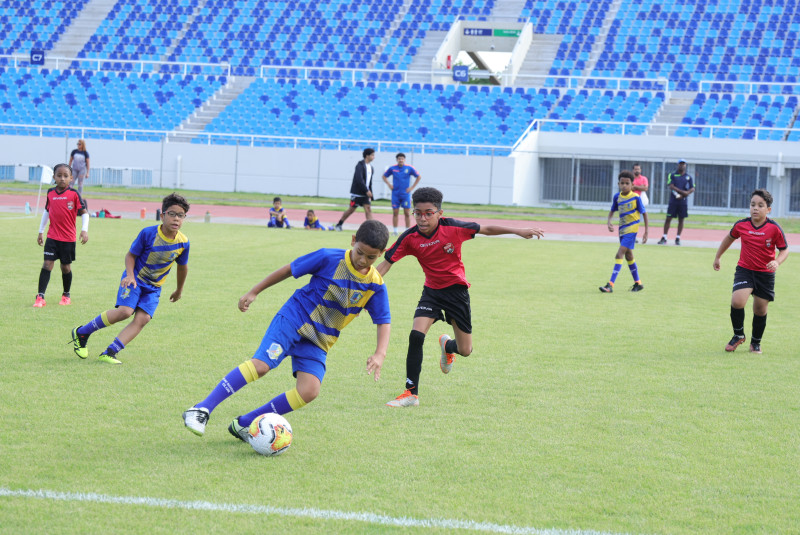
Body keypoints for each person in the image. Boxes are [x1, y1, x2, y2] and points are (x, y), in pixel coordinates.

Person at [182, 220, 391, 441]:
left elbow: (383, 320)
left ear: (381, 254)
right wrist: (255, 291)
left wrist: (380, 353)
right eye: (360, 252)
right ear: (352, 241)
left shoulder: (375, 284)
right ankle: (201, 408)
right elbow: (289, 270)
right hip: (294, 318)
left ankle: (245, 424)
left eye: (371, 257)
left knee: (309, 391)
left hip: (319, 340)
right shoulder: (329, 257)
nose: (362, 260)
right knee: (262, 365)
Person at [377, 187, 544, 407]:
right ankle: (410, 393)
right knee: (416, 336)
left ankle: (448, 347)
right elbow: (384, 265)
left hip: (457, 293)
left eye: (429, 213)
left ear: (439, 213)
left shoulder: (453, 227)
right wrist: (361, 287)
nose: (423, 218)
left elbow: (487, 228)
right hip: (432, 292)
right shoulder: (410, 237)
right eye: (418, 213)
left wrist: (518, 230)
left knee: (466, 350)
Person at [70, 193, 190, 364]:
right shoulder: (148, 233)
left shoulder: (183, 242)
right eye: (172, 214)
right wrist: (130, 275)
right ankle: (82, 332)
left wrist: (179, 289)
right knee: (125, 311)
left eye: (181, 215)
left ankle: (110, 352)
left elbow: (182, 267)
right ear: (162, 215)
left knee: (143, 319)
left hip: (154, 287)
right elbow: (130, 256)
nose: (176, 219)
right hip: (135, 279)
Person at [713, 189, 788, 354]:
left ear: (768, 209)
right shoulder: (742, 225)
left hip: (765, 274)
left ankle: (755, 342)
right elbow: (729, 238)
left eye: (760, 205)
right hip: (745, 270)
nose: (755, 208)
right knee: (737, 301)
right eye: (753, 204)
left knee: (760, 309)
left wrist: (777, 261)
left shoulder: (774, 228)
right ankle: (738, 335)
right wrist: (718, 256)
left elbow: (784, 250)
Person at [34, 163, 89, 307]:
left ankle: (66, 295)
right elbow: (47, 212)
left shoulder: (74, 194)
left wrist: (84, 229)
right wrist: (41, 231)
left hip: (68, 239)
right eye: (59, 175)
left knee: (65, 268)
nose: (62, 179)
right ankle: (40, 297)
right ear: (54, 177)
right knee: (47, 264)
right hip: (52, 237)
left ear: (71, 178)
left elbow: (84, 213)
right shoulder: (50, 193)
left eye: (66, 176)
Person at [599, 170, 648, 293]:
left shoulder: (636, 198)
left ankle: (610, 285)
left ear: (632, 185)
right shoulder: (617, 197)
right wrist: (609, 221)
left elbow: (644, 214)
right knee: (629, 255)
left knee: (619, 254)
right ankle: (638, 283)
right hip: (622, 230)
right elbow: (612, 210)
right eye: (622, 183)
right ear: (618, 184)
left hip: (632, 230)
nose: (624, 185)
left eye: (627, 183)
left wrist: (646, 231)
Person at [335, 148, 375, 231]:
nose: (374, 157)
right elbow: (359, 179)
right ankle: (339, 224)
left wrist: (370, 192)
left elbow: (369, 182)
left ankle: (371, 229)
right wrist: (366, 190)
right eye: (372, 155)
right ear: (367, 156)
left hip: (366, 194)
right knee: (351, 210)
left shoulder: (371, 167)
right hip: (357, 193)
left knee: (368, 209)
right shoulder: (359, 165)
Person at [382, 152, 421, 234]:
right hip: (395, 194)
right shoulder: (392, 168)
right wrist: (389, 185)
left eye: (402, 159)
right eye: (399, 159)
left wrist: (412, 187)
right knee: (395, 213)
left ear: (404, 159)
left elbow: (418, 176)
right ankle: (395, 231)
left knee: (407, 213)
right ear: (397, 160)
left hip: (405, 194)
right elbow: (384, 176)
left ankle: (407, 231)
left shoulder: (409, 168)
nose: (401, 160)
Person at [658, 159, 695, 246]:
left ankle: (678, 238)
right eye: (680, 164)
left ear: (685, 165)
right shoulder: (672, 175)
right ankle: (664, 237)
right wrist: (683, 193)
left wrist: (685, 194)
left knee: (681, 220)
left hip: (683, 202)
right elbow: (671, 186)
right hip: (673, 201)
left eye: (683, 164)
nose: (681, 166)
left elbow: (692, 188)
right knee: (668, 218)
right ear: (677, 165)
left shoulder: (688, 177)